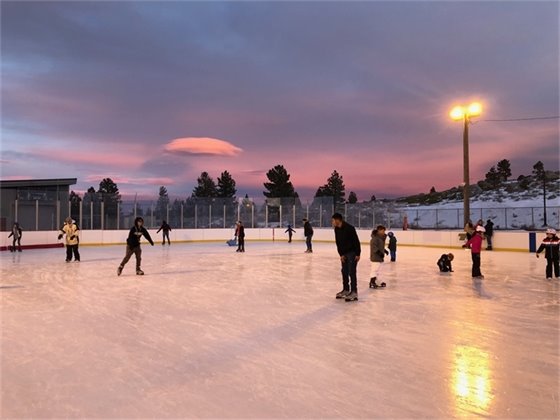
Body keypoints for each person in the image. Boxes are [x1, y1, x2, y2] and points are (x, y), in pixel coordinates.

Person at [332, 213, 361, 302]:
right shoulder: (336, 229)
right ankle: (346, 290)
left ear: (337, 220)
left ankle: (354, 292)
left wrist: (358, 253)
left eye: (333, 220)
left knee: (351, 272)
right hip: (344, 253)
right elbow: (338, 242)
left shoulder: (349, 228)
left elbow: (356, 241)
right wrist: (341, 254)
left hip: (352, 253)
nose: (332, 222)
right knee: (344, 271)